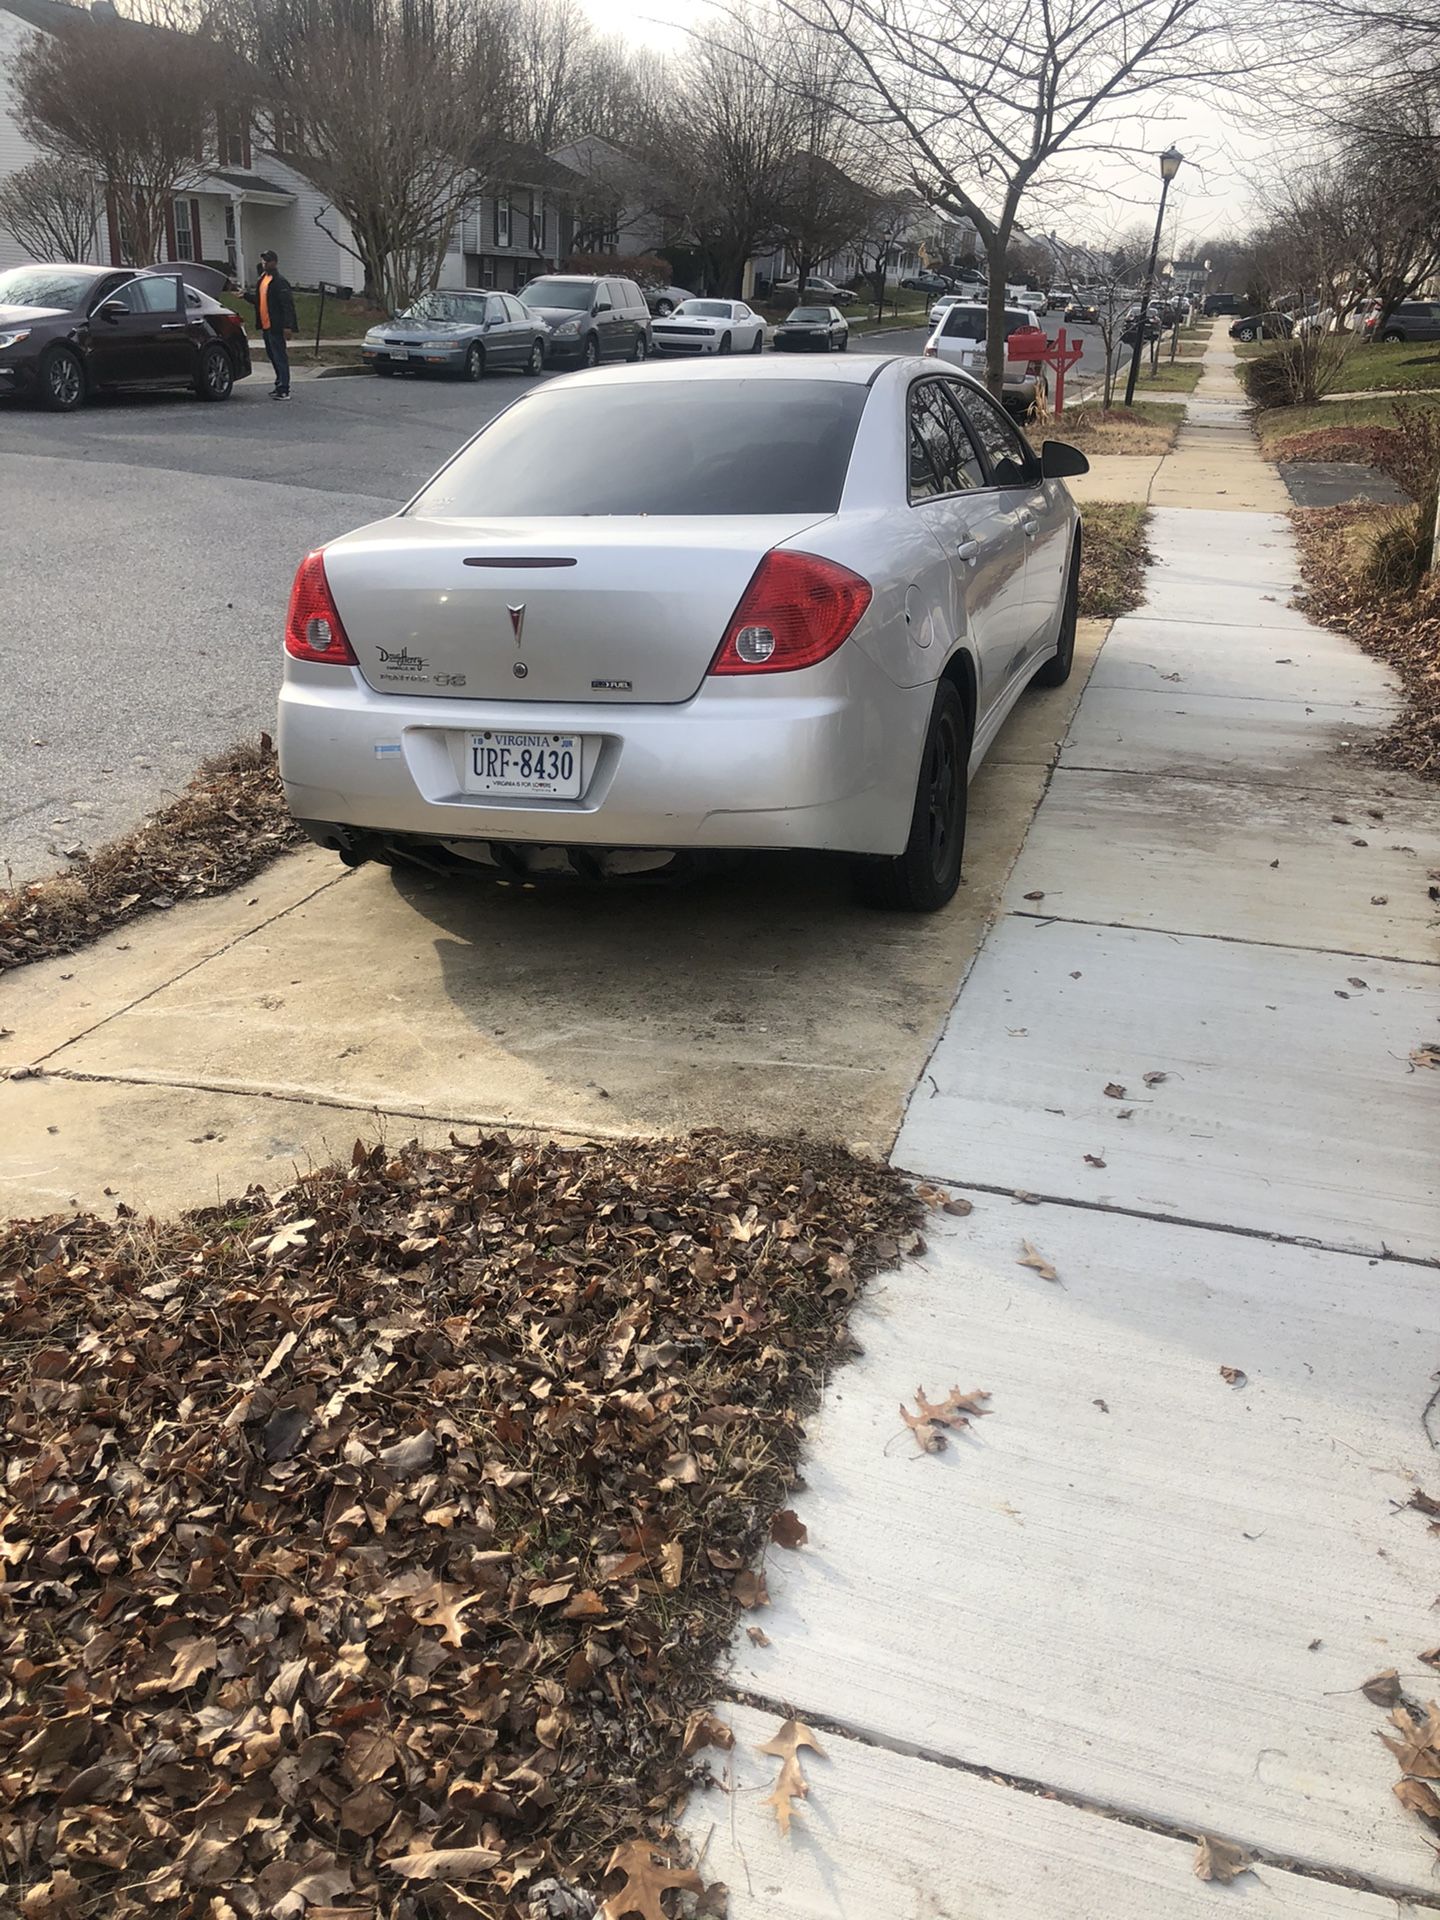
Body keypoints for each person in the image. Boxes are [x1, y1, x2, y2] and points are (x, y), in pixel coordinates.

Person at [250, 250, 298, 399]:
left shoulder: (280, 281)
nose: (265, 263)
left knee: (280, 356)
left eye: (268, 261)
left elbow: (287, 305)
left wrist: (288, 326)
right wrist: (244, 295)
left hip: (276, 325)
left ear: (275, 262)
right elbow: (259, 301)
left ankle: (284, 388)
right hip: (266, 325)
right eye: (264, 260)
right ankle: (279, 383)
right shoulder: (263, 280)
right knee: (273, 356)